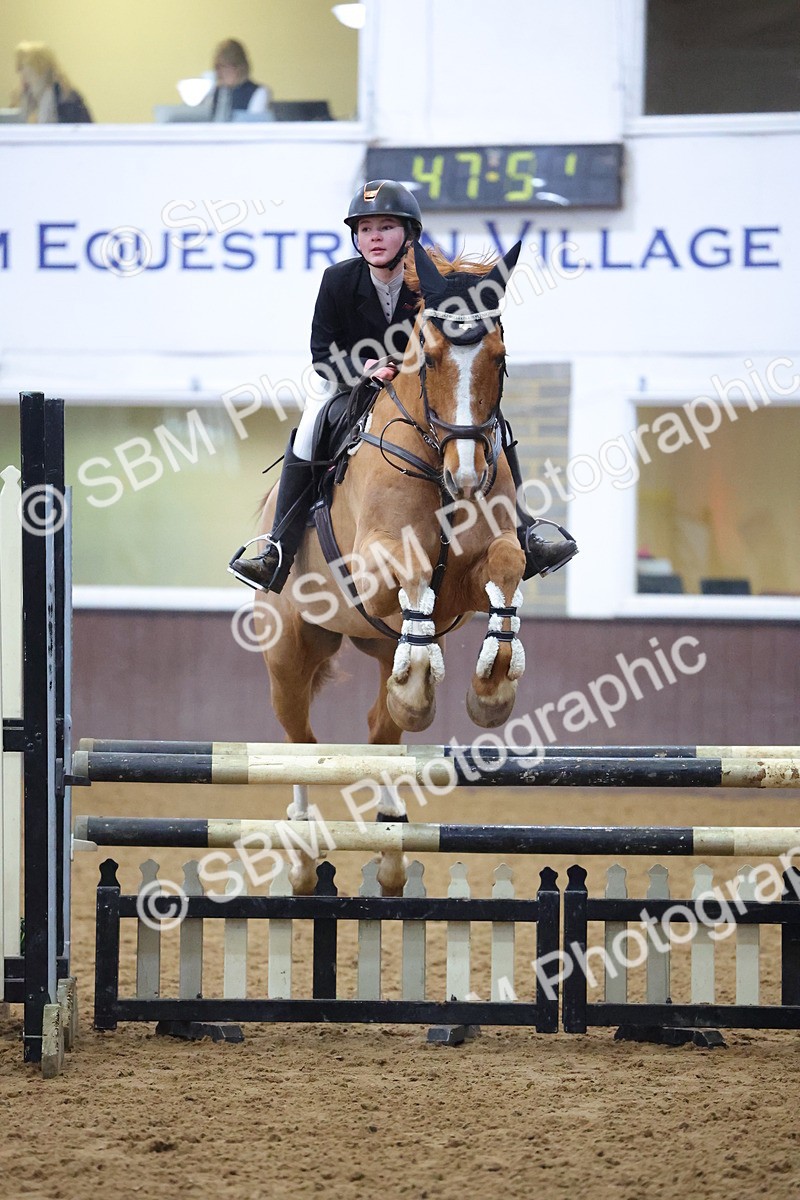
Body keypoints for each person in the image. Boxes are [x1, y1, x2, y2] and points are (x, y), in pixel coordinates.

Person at [229, 179, 578, 592]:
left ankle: (524, 531)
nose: (374, 237)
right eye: (365, 229)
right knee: (309, 429)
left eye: (386, 227)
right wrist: (364, 369)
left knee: (493, 422)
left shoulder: (434, 277)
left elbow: (461, 335)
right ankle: (277, 548)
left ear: (410, 233)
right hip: (348, 383)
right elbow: (322, 353)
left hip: (422, 382)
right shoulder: (337, 279)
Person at [13, 42, 92, 123]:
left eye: (24, 67)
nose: (21, 72)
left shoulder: (65, 97)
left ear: (41, 69)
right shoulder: (27, 97)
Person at [208, 39, 270, 121]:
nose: (219, 72)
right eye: (217, 67)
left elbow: (253, 123)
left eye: (224, 66)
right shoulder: (215, 92)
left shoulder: (258, 92)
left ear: (239, 68)